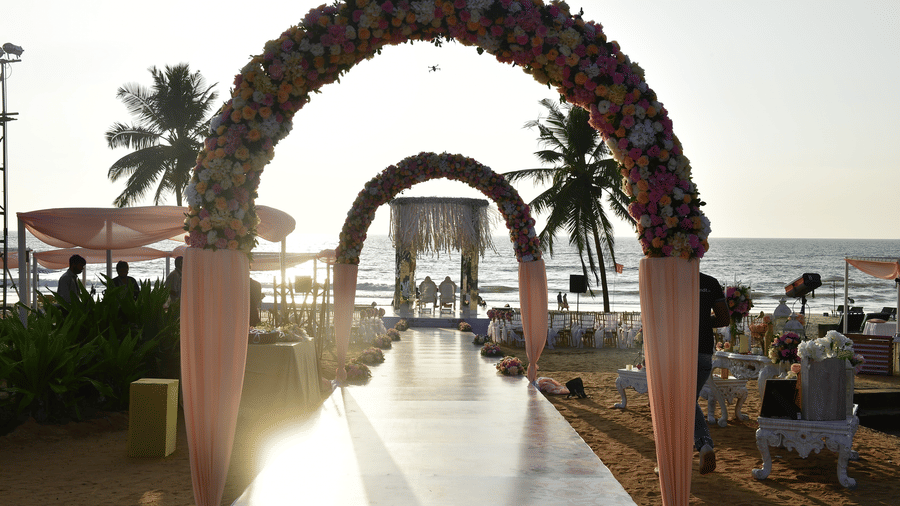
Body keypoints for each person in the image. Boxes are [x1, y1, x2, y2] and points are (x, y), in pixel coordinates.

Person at [696, 272, 731, 474]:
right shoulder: (710, 282)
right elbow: (724, 318)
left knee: (681, 402)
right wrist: (702, 321)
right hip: (703, 351)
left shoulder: (671, 278)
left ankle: (704, 444)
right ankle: (703, 446)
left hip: (678, 350)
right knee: (688, 401)